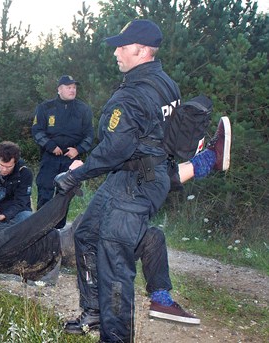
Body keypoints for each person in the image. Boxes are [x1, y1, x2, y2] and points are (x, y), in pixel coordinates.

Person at [54, 19, 185, 343]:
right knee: (86, 233)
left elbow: (113, 150)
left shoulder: (133, 95)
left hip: (137, 182)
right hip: (133, 176)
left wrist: (76, 175)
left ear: (141, 50)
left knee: (114, 259)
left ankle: (115, 337)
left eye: (122, 46)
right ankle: (95, 310)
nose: (116, 52)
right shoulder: (167, 83)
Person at [63, 116, 231, 335]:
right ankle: (100, 315)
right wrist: (77, 172)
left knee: (152, 237)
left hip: (105, 218)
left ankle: (160, 299)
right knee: (102, 247)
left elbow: (152, 172)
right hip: (60, 245)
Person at [32, 75, 94, 227]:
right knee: (45, 190)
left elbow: (89, 135)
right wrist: (50, 145)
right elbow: (37, 131)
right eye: (68, 87)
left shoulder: (83, 109)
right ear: (59, 89)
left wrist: (78, 150)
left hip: (71, 159)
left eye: (74, 87)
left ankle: (58, 232)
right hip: (50, 156)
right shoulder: (45, 108)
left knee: (64, 194)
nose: (72, 90)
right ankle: (39, 229)